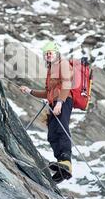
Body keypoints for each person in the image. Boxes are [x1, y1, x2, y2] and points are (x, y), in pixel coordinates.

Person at [20, 41, 73, 183]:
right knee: (52, 135)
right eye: (46, 53)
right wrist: (30, 91)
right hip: (53, 103)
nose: (48, 55)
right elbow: (48, 92)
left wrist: (60, 103)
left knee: (62, 130)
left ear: (56, 53)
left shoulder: (63, 64)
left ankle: (66, 161)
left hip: (63, 101)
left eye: (51, 52)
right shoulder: (51, 70)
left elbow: (67, 84)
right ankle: (62, 167)